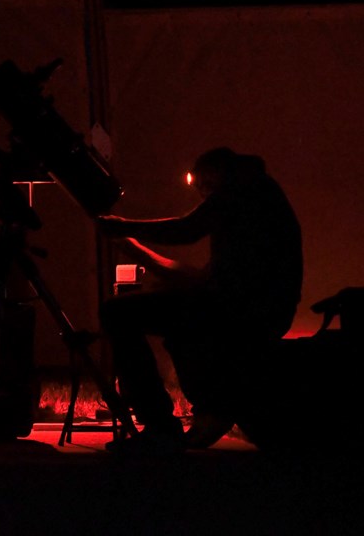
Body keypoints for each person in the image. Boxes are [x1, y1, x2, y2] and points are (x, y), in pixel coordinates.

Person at [96, 147, 303, 454]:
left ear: (214, 174)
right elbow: (197, 279)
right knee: (178, 324)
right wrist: (132, 245)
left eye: (203, 186)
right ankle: (210, 406)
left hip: (245, 310)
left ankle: (165, 424)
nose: (204, 196)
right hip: (255, 307)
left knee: (119, 313)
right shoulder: (256, 201)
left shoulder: (241, 188)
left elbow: (186, 229)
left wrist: (124, 225)